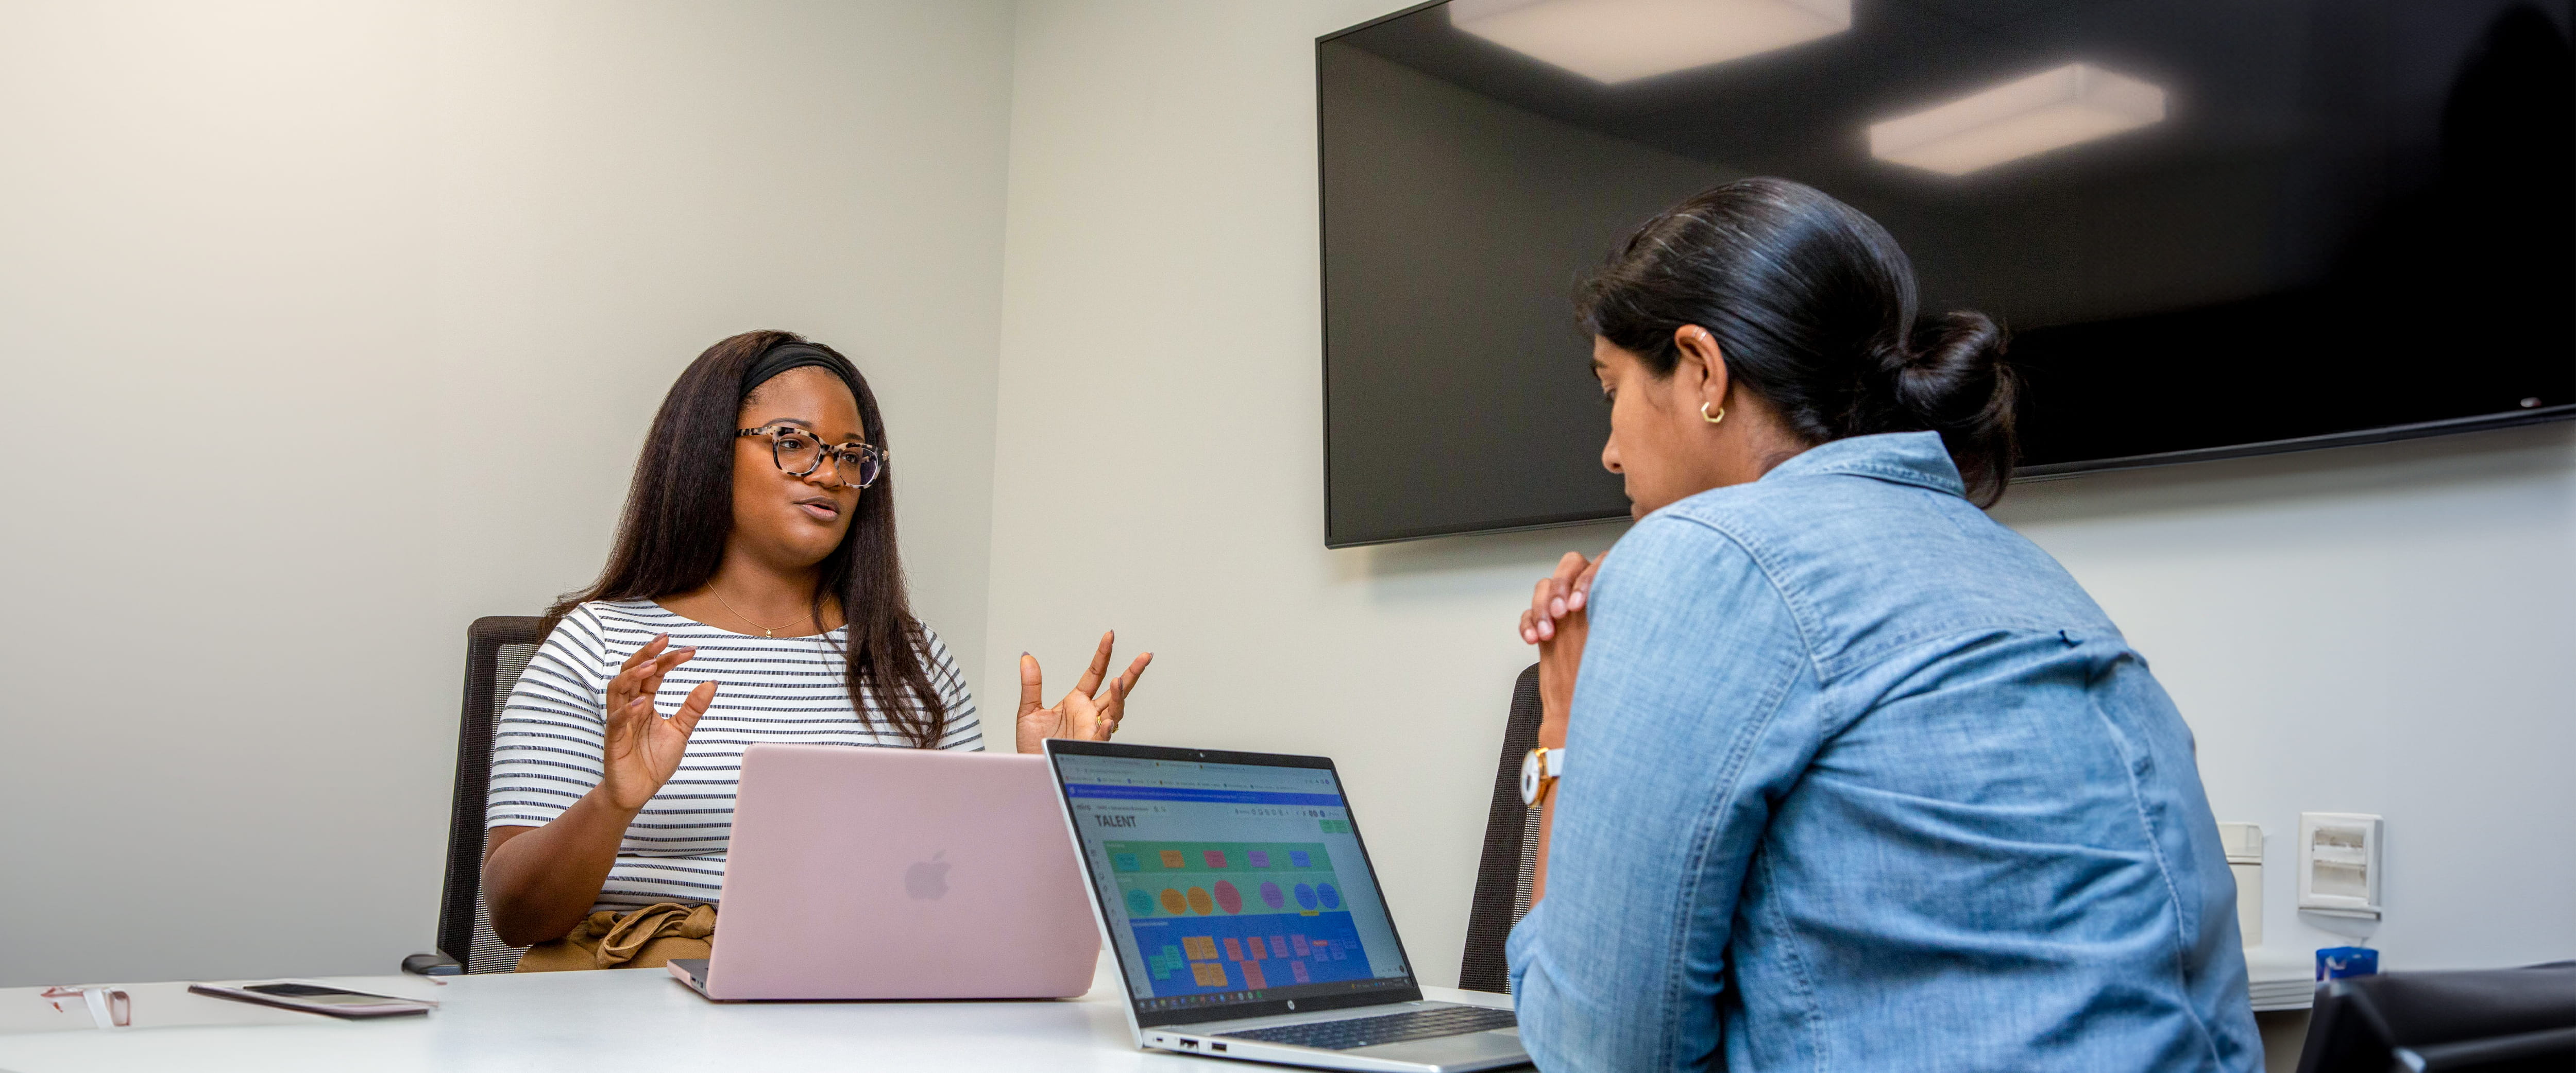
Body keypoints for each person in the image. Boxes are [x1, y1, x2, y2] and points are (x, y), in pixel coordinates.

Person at [1504, 179, 2258, 1071]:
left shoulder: (1700, 552)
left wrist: (1562, 731)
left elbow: (1596, 1050)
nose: (1612, 451)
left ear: (1703, 371)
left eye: (1613, 392)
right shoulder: (2030, 575)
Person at [480, 330, 1147, 969]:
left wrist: (1043, 788)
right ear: (710, 451)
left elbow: (975, 905)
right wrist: (612, 805)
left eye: (852, 456)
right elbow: (516, 917)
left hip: (857, 1008)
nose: (829, 475)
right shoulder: (599, 646)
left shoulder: (912, 663)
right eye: (793, 443)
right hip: (638, 1004)